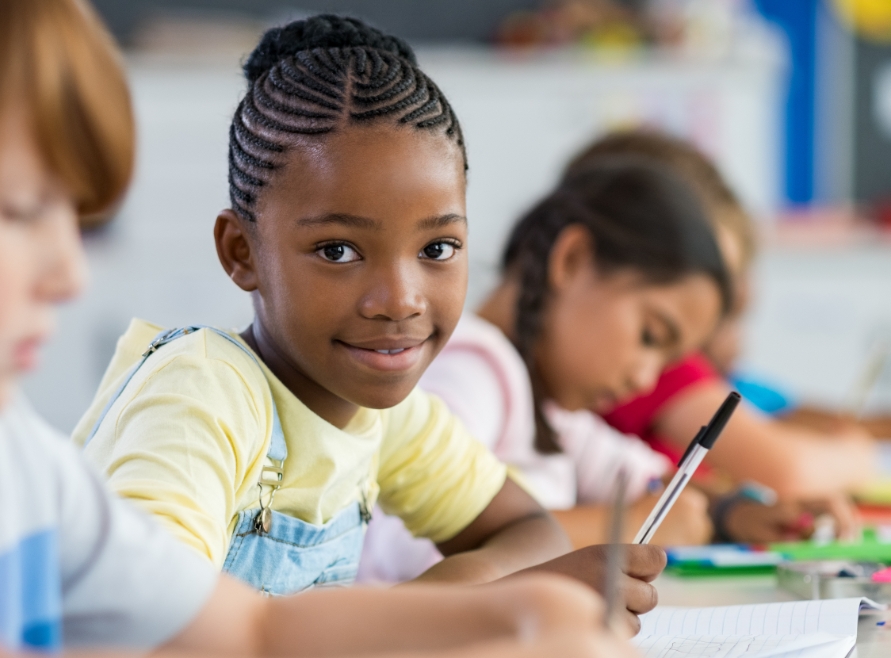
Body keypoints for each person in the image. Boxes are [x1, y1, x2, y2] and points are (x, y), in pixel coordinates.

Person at [0, 1, 635, 656]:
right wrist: (476, 609)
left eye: (438, 249)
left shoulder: (28, 462)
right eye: (338, 251)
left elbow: (254, 632)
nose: (399, 300)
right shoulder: (196, 400)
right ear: (241, 252)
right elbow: (169, 642)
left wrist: (513, 611)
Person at [358, 159, 722, 583]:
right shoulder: (472, 366)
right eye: (650, 336)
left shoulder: (543, 402)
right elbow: (410, 553)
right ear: (571, 260)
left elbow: (639, 477)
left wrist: (732, 508)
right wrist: (622, 525)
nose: (645, 379)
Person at [574, 130, 862, 540]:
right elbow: (788, 471)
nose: (706, 321)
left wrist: (729, 512)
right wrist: (857, 454)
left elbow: (647, 483)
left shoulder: (583, 413)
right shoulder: (651, 365)